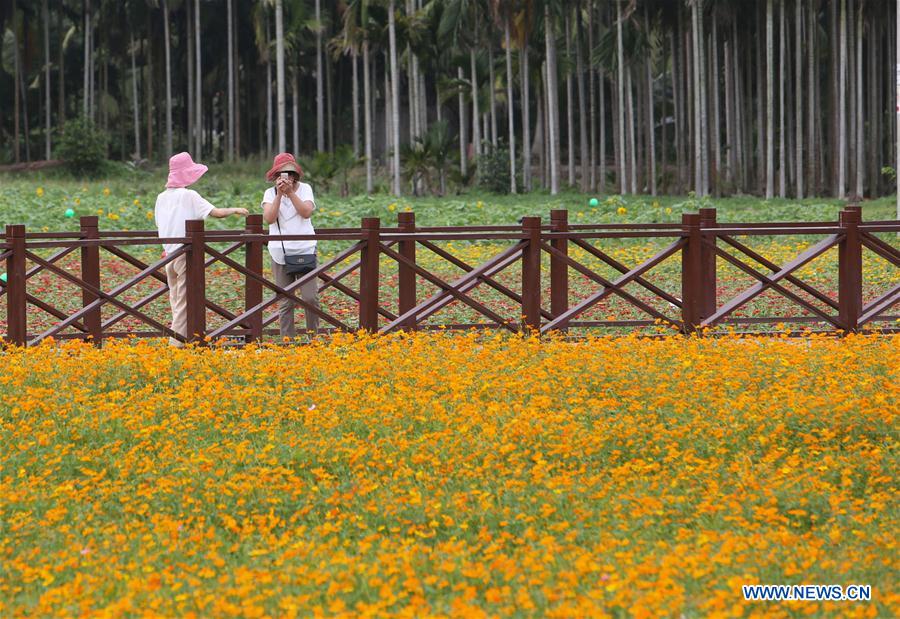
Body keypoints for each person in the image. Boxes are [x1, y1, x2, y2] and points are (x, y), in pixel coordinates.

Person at [155, 152, 248, 347]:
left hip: (168, 256)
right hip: (185, 255)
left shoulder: (161, 198)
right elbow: (217, 213)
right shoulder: (189, 195)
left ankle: (184, 340)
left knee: (176, 302)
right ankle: (176, 345)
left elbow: (160, 226)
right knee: (185, 304)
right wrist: (235, 210)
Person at [261, 152, 321, 337]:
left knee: (310, 298)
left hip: (306, 249)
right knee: (285, 300)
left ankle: (313, 337)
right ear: (275, 176)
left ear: (296, 175)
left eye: (290, 173)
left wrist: (291, 193)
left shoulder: (305, 189)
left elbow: (306, 212)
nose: (286, 177)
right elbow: (269, 218)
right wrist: (280, 195)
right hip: (280, 252)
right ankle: (288, 340)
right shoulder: (269, 193)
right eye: (282, 174)